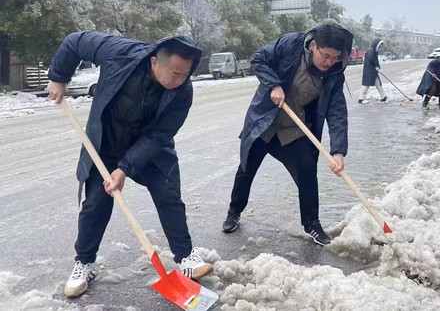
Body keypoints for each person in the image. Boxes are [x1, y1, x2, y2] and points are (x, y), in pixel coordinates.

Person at [46, 31, 209, 298]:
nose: (180, 81)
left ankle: (186, 257)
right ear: (155, 62)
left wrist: (124, 169)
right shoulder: (119, 52)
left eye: (186, 75)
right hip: (106, 144)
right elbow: (74, 41)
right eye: (175, 74)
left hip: (150, 148)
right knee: (96, 203)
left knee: (168, 196)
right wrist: (58, 76)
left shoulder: (182, 92)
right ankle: (84, 262)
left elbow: (159, 135)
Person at [221, 22, 353, 245]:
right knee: (247, 168)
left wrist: (338, 151)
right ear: (313, 46)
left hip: (293, 127)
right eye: (326, 56)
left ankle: (312, 224)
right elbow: (258, 59)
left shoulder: (335, 72)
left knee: (307, 169)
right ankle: (234, 212)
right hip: (265, 120)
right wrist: (274, 85)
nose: (329, 62)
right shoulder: (291, 45)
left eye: (335, 57)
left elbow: (337, 111)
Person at [358, 38, 386, 103]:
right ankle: (360, 99)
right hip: (369, 71)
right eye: (379, 45)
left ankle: (383, 97)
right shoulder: (370, 51)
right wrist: (376, 67)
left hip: (373, 72)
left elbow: (376, 61)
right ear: (376, 44)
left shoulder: (374, 51)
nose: (380, 47)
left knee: (378, 84)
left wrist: (379, 68)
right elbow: (372, 59)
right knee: (366, 85)